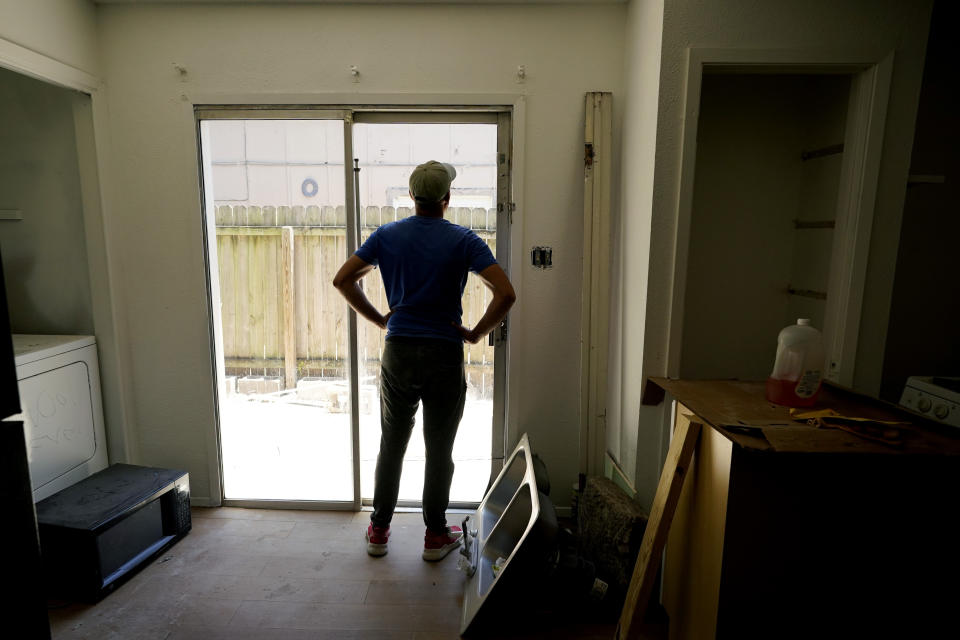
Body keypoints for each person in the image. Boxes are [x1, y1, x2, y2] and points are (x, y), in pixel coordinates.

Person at [333, 160, 516, 561]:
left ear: (413, 197)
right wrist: (475, 333)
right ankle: (435, 536)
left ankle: (379, 531)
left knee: (392, 444)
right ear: (447, 199)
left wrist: (381, 318)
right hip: (443, 355)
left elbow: (343, 279)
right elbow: (505, 293)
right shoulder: (464, 240)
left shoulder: (386, 236)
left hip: (399, 353)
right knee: (439, 449)